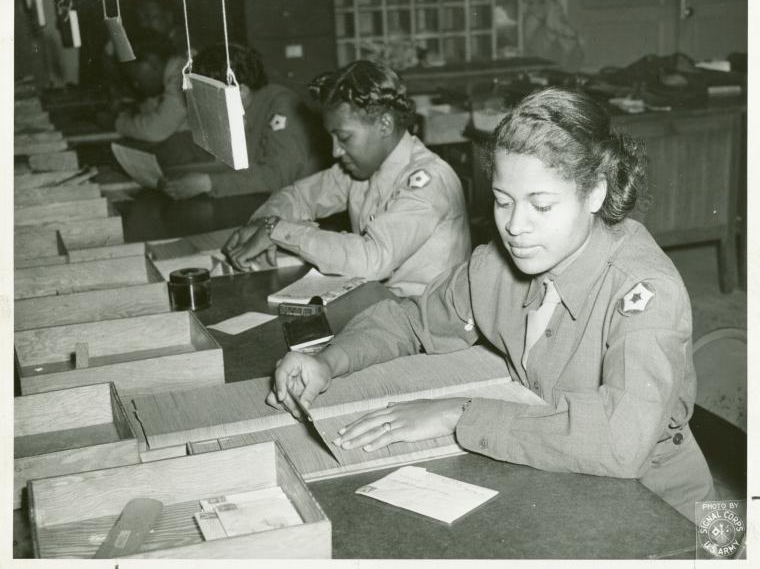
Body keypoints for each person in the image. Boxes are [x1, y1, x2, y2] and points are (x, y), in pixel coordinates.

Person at [266, 87, 715, 521]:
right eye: (503, 202)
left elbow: (621, 443)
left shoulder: (646, 291)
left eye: (540, 206)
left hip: (671, 512)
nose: (514, 227)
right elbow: (411, 321)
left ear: (595, 193)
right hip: (565, 480)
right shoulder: (499, 265)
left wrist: (460, 414)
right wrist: (327, 360)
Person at [223, 60, 471, 297]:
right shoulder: (361, 169)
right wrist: (262, 224)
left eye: (343, 137)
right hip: (382, 305)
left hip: (429, 324)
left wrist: (278, 230)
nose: (335, 151)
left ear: (384, 124)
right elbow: (298, 196)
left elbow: (372, 259)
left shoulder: (428, 181)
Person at [160, 43, 328, 199]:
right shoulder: (245, 109)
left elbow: (279, 175)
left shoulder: (282, 107)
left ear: (241, 91)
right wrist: (175, 176)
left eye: (209, 96)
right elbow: (235, 165)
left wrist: (208, 183)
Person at [113, 29, 188, 143]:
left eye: (137, 78)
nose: (136, 85)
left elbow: (155, 131)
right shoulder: (174, 71)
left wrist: (116, 122)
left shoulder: (180, 78)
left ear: (153, 60)